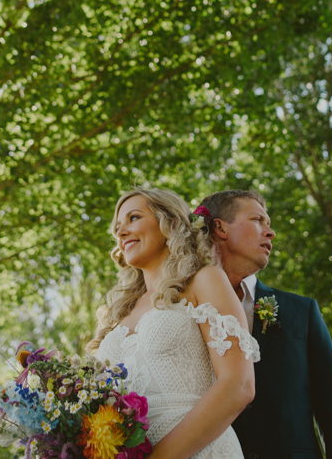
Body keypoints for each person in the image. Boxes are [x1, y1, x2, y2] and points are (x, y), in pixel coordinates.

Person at [88, 187, 259, 459]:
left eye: (133, 218)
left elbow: (238, 385)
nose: (120, 233)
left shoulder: (204, 280)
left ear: (169, 221)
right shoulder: (117, 314)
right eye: (117, 227)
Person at [197, 189, 332, 459]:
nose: (270, 232)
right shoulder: (185, 312)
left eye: (270, 224)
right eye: (258, 220)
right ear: (220, 228)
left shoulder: (302, 311)